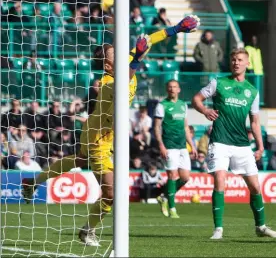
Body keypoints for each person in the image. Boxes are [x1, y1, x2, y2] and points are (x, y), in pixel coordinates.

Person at [22, 15, 200, 246]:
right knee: (112, 194)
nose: (121, 54)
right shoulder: (107, 84)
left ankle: (34, 183)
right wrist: (137, 57)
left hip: (99, 127)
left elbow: (151, 39)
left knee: (79, 159)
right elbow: (127, 76)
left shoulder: (124, 61)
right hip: (99, 137)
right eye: (115, 54)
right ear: (107, 64)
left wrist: (177, 28)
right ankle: (87, 230)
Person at [192, 47, 276, 240]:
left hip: (242, 144)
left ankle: (261, 227)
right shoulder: (218, 83)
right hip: (220, 141)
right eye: (233, 59)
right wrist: (205, 111)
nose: (236, 62)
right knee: (220, 182)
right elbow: (196, 99)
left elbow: (255, 121)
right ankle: (218, 229)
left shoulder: (252, 91)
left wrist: (260, 146)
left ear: (247, 63)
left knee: (256, 188)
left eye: (240, 60)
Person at [154, 80, 197, 219]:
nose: (172, 89)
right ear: (167, 90)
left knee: (185, 178)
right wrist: (161, 145)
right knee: (172, 176)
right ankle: (172, 208)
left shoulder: (183, 105)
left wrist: (192, 145)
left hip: (182, 146)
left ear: (179, 89)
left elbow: (186, 127)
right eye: (170, 87)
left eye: (174, 87)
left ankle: (163, 197)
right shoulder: (162, 106)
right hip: (169, 146)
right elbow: (156, 127)